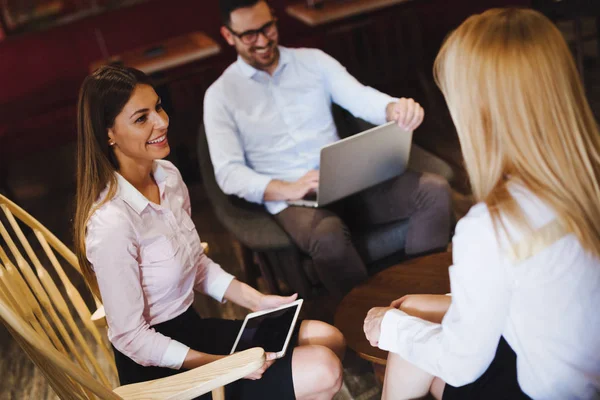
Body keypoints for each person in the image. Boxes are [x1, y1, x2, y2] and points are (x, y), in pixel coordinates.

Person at [363, 8, 600, 400]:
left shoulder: (492, 226)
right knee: (416, 328)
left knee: (408, 346)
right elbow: (551, 282)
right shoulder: (585, 179)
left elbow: (461, 362)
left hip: (551, 391)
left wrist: (392, 327)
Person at [73, 65, 346, 400]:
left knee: (327, 336)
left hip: (193, 331)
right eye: (141, 118)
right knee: (323, 368)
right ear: (108, 134)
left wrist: (257, 301)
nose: (162, 121)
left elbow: (196, 264)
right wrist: (221, 364)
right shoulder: (112, 222)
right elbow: (131, 337)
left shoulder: (168, 176)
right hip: (161, 374)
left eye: (158, 106)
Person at [204, 0, 453, 297]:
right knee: (328, 237)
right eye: (249, 35)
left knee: (433, 190)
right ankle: (367, 321)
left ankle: (428, 294)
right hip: (292, 197)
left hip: (348, 178)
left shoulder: (313, 61)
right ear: (228, 35)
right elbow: (228, 173)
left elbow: (359, 97)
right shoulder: (220, 96)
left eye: (267, 27)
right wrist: (287, 188)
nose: (263, 40)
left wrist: (393, 108)